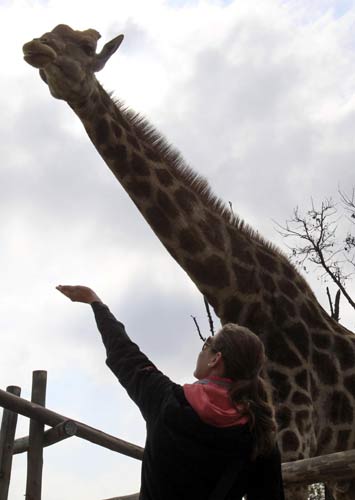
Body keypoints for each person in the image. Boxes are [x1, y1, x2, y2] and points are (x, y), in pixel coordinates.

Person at [56, 284, 285, 500]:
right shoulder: (260, 435)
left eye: (208, 343)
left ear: (216, 359)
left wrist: (95, 302)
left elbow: (124, 353)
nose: (202, 350)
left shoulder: (165, 401)